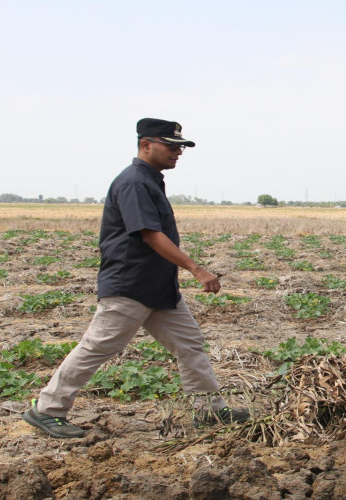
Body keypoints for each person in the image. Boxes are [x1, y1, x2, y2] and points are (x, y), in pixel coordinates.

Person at [23, 117, 249, 438]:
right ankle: (46, 409)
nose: (178, 153)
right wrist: (196, 269)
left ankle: (209, 411)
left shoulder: (150, 180)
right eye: (171, 146)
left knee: (190, 345)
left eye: (180, 147)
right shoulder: (133, 182)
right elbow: (150, 235)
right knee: (97, 347)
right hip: (130, 287)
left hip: (157, 289)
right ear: (146, 145)